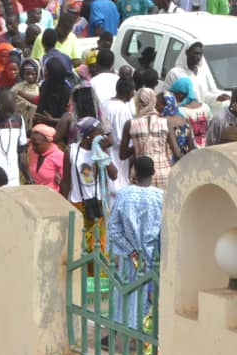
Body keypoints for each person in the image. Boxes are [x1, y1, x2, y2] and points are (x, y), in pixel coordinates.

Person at [106, 156, 164, 331]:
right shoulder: (161, 197)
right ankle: (146, 334)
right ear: (153, 173)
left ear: (134, 172)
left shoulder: (124, 194)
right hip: (153, 256)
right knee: (149, 295)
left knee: (124, 292)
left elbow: (113, 227)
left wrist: (130, 250)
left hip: (130, 257)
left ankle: (116, 331)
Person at [60, 117, 118, 250]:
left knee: (98, 247)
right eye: (99, 133)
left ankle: (96, 271)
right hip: (78, 204)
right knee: (78, 246)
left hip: (98, 204)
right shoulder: (71, 151)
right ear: (88, 136)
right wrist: (62, 205)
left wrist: (102, 152)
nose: (103, 137)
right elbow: (65, 181)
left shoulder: (100, 151)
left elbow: (113, 175)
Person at [119, 88, 178, 189]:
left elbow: (123, 155)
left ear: (137, 103)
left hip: (140, 175)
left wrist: (139, 145)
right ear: (153, 101)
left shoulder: (130, 124)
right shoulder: (165, 123)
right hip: (164, 173)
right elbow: (177, 153)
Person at [27, 124, 63, 192]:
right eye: (31, 143)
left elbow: (65, 183)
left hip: (51, 196)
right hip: (33, 195)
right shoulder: (32, 152)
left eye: (36, 144)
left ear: (48, 142)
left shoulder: (59, 156)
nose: (33, 147)